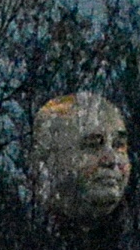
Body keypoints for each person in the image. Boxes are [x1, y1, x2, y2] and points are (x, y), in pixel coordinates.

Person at [33, 92, 133, 224]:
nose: (111, 160)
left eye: (119, 146)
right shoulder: (20, 225)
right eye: (93, 145)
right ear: (51, 159)